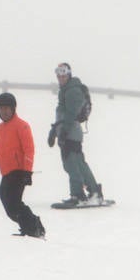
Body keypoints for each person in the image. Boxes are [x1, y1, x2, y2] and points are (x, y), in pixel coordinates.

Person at [0, 92, 45, 238]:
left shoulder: (22, 126)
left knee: (13, 202)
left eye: (8, 108)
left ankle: (33, 227)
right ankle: (30, 225)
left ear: (13, 109)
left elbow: (29, 150)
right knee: (7, 202)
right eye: (1, 109)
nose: (5, 111)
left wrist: (27, 172)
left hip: (19, 172)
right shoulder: (0, 129)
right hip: (6, 173)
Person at [48, 63, 104, 207]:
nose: (61, 77)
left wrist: (64, 130)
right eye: (59, 75)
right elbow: (62, 115)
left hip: (71, 133)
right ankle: (94, 191)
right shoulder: (66, 90)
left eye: (64, 74)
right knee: (78, 162)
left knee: (71, 163)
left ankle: (78, 195)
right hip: (69, 132)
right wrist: (54, 131)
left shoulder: (72, 90)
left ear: (69, 74)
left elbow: (71, 113)